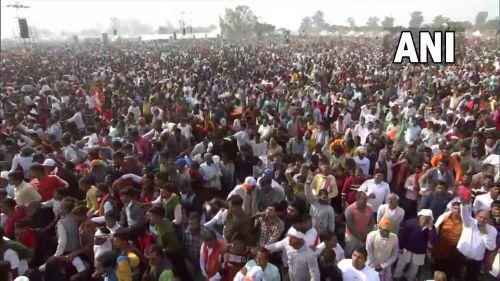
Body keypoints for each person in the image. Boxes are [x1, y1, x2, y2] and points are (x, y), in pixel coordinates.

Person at [457, 200, 497, 281]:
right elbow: (464, 214)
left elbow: (491, 247)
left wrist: (484, 231)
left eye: (485, 219)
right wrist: (464, 204)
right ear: (476, 216)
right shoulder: (469, 222)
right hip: (460, 256)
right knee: (455, 276)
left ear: (489, 220)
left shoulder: (492, 230)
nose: (482, 220)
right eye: (480, 217)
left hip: (475, 262)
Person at [394, 209, 437, 281]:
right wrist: (400, 248)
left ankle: (409, 279)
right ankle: (396, 278)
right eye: (424, 217)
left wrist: (430, 228)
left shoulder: (431, 227)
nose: (425, 220)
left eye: (428, 218)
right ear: (420, 216)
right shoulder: (411, 223)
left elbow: (434, 241)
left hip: (420, 252)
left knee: (414, 270)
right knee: (400, 265)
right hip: (406, 249)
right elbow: (403, 235)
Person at [432, 201, 464, 280]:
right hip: (440, 248)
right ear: (452, 209)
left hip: (453, 252)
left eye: (459, 209)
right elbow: (435, 229)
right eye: (455, 208)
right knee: (437, 270)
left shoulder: (464, 222)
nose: (457, 210)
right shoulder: (444, 218)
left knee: (448, 273)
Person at [344, 191, 373, 257]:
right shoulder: (350, 209)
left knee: (360, 255)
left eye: (366, 199)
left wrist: (367, 233)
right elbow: (350, 225)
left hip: (364, 236)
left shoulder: (369, 208)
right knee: (349, 254)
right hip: (352, 237)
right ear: (357, 199)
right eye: (364, 199)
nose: (366, 201)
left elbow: (372, 222)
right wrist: (359, 236)